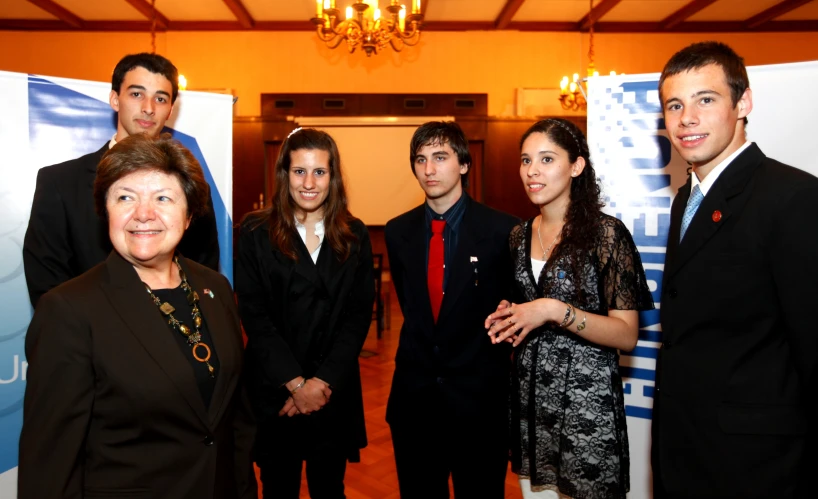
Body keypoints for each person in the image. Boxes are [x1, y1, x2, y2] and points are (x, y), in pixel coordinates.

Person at [18, 133, 256, 499]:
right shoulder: (69, 310)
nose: (143, 214)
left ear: (189, 215)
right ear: (106, 211)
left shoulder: (215, 287)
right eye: (126, 197)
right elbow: (50, 462)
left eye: (163, 198)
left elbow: (233, 419)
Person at [652, 41, 818, 499]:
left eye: (705, 100)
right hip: (685, 449)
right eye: (674, 105)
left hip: (757, 465)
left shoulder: (793, 198)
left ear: (743, 102)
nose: (687, 118)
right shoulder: (689, 198)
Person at [486, 118, 654, 499]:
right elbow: (528, 303)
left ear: (576, 166)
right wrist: (511, 313)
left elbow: (626, 335)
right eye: (526, 160)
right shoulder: (518, 235)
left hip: (586, 406)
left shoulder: (607, 235)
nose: (532, 171)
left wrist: (552, 309)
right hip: (531, 403)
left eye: (546, 159)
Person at [235, 128, 375, 499]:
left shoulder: (354, 234)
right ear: (284, 174)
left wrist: (321, 382)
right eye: (299, 171)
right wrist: (296, 384)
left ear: (334, 177)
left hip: (333, 389)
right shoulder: (254, 232)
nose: (309, 183)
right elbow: (255, 315)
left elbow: (358, 315)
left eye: (319, 172)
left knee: (330, 488)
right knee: (277, 487)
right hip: (276, 390)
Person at [385, 121, 518, 498]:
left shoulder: (504, 231)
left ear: (463, 164)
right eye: (421, 159)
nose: (429, 169)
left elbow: (512, 313)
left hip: (480, 404)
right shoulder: (398, 232)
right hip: (415, 405)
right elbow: (416, 312)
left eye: (440, 157)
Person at [23, 52, 220, 308]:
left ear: (171, 109)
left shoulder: (191, 186)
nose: (149, 108)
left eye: (160, 98)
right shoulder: (60, 182)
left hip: (171, 337)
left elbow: (202, 271)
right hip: (89, 339)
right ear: (115, 99)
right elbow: (46, 282)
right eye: (136, 94)